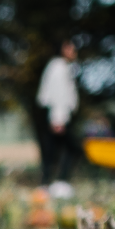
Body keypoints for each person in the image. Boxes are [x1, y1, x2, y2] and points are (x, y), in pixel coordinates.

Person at [36, 40, 81, 195]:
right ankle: (57, 182)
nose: (74, 53)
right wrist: (58, 118)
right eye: (71, 49)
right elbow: (56, 94)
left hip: (60, 115)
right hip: (58, 116)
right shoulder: (58, 67)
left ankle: (48, 183)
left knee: (54, 148)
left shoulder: (62, 67)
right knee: (69, 148)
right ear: (63, 49)